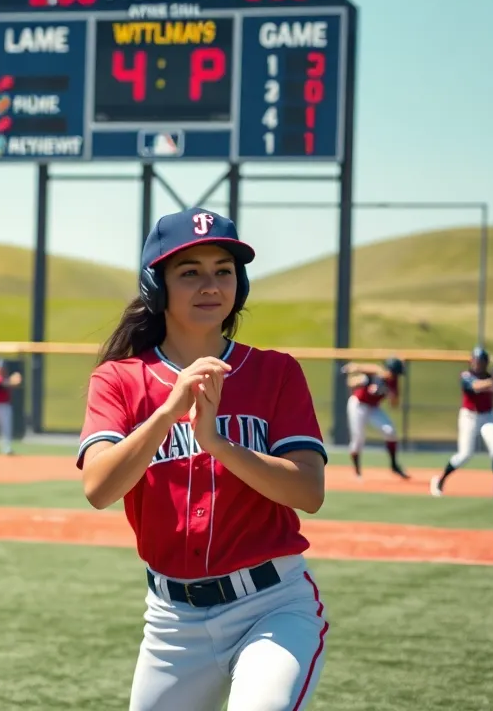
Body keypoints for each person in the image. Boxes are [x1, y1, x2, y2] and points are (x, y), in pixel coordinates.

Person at [77, 207, 329, 711]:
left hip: (271, 607)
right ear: (157, 287)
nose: (210, 284)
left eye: (224, 270)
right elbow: (99, 489)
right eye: (189, 272)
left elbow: (308, 492)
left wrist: (218, 444)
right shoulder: (119, 379)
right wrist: (168, 412)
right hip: (171, 623)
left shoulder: (275, 372)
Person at [430, 347, 493, 499]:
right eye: (475, 361)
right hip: (469, 417)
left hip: (488, 416)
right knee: (465, 455)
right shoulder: (466, 376)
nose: (477, 364)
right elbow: (475, 387)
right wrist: (492, 380)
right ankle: (440, 480)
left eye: (481, 362)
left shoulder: (489, 377)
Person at [339, 356, 408, 479]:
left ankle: (394, 465)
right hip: (358, 405)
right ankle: (357, 471)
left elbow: (394, 405)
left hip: (373, 407)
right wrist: (354, 371)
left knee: (390, 431)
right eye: (394, 373)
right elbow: (355, 375)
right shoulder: (376, 373)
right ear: (389, 369)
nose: (395, 376)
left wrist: (392, 394)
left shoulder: (393, 382)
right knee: (358, 439)